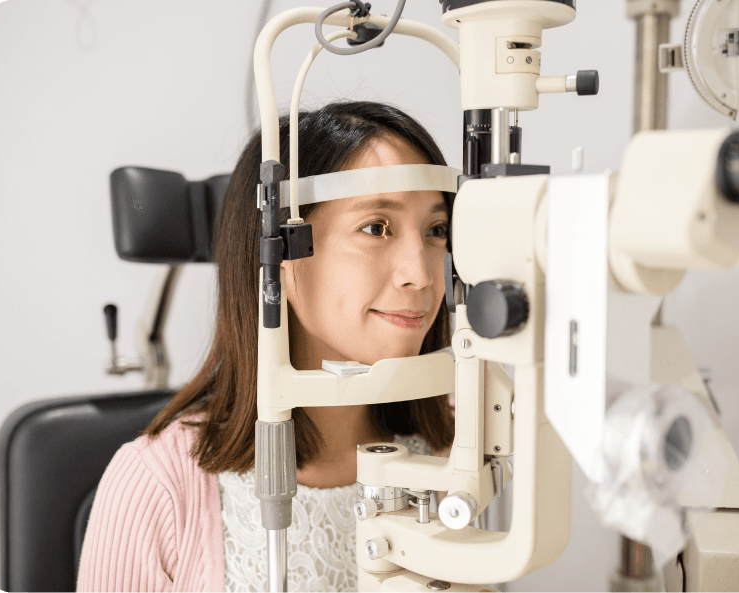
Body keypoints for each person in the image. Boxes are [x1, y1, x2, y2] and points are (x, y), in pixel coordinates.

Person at [76, 101, 456, 593]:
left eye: (436, 230)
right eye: (376, 227)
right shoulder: (158, 485)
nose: (422, 274)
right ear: (279, 250)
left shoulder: (456, 447)